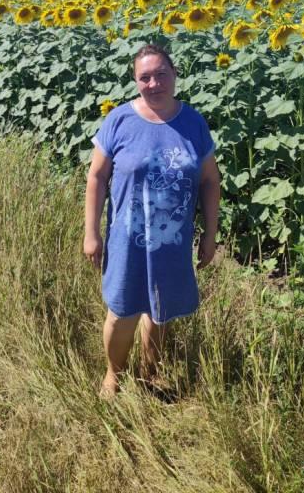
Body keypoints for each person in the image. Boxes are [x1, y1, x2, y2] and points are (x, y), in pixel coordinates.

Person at [84, 43, 221, 398]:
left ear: (175, 75)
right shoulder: (119, 120)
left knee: (160, 311)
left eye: (162, 74)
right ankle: (114, 374)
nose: (154, 83)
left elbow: (209, 180)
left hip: (172, 241)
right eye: (145, 77)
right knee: (122, 312)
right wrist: (91, 233)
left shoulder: (193, 123)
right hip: (126, 239)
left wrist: (210, 234)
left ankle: (149, 373)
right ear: (136, 80)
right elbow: (97, 177)